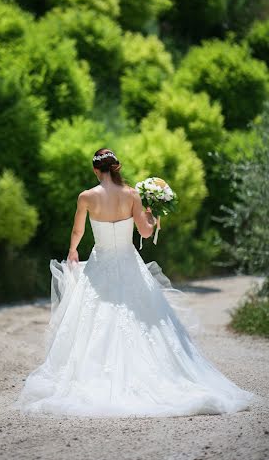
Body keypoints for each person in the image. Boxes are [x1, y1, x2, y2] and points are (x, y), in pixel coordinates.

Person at [14, 148, 257, 417]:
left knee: (91, 319)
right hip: (129, 263)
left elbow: (78, 230)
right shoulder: (132, 195)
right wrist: (153, 215)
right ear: (116, 167)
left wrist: (73, 250)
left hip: (100, 264)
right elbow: (144, 231)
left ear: (96, 170)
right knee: (146, 318)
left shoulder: (86, 197)